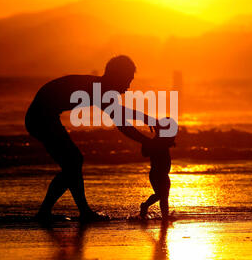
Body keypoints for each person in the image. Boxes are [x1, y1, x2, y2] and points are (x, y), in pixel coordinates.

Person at [25, 55, 155, 223]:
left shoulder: (101, 87)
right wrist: (147, 140)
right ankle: (72, 212)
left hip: (45, 116)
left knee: (72, 163)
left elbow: (119, 112)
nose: (128, 87)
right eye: (128, 80)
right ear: (118, 77)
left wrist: (146, 119)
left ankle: (55, 212)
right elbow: (122, 124)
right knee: (73, 161)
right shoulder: (100, 89)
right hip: (40, 118)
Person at [140, 123, 176, 221]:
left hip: (163, 173)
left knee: (164, 195)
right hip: (156, 173)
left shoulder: (162, 140)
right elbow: (144, 154)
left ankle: (165, 216)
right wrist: (144, 143)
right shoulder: (156, 142)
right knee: (161, 194)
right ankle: (145, 205)